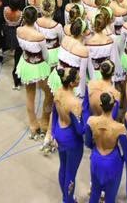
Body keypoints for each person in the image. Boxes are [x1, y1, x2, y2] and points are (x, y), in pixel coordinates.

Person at [16, 5, 53, 138]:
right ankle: (44, 120)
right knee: (49, 92)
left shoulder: (19, 30)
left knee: (30, 95)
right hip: (39, 65)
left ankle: (33, 125)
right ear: (36, 18)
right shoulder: (39, 36)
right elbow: (46, 54)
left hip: (26, 62)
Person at [85, 92, 126, 203]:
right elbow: (126, 151)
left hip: (96, 159)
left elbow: (87, 142)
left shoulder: (91, 121)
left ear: (101, 105)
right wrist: (122, 160)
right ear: (113, 106)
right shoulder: (119, 127)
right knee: (110, 197)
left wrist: (95, 148)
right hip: (112, 162)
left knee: (94, 193)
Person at [52, 66, 85, 203]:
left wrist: (53, 132)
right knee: (71, 172)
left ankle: (66, 197)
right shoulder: (75, 103)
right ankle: (68, 200)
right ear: (72, 83)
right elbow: (80, 130)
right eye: (78, 78)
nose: (80, 78)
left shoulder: (58, 92)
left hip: (60, 131)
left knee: (64, 167)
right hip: (72, 139)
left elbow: (54, 114)